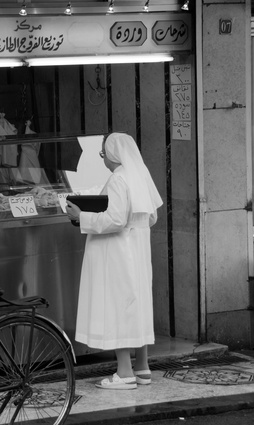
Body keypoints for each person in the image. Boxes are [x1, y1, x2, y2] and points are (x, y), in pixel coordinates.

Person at [66, 132, 163, 390]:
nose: (104, 160)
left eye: (103, 154)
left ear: (112, 154)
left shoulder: (118, 179)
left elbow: (116, 219)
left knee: (120, 306)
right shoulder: (141, 175)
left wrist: (81, 216)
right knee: (137, 305)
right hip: (139, 251)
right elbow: (151, 216)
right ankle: (142, 367)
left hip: (119, 252)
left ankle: (124, 373)